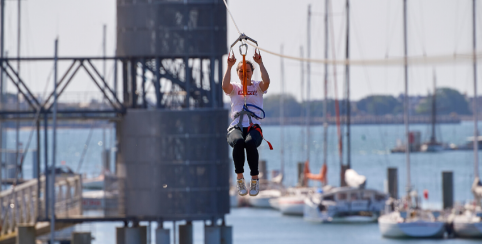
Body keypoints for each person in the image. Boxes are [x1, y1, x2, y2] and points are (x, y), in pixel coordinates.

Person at [222, 50, 270, 196]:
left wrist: (260, 63)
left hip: (253, 127)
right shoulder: (235, 88)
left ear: (251, 72)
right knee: (239, 141)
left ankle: (254, 180)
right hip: (236, 127)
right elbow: (225, 86)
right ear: (237, 73)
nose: (244, 73)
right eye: (241, 71)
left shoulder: (257, 87)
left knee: (249, 143)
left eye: (247, 71)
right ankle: (240, 178)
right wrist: (229, 67)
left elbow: (267, 82)